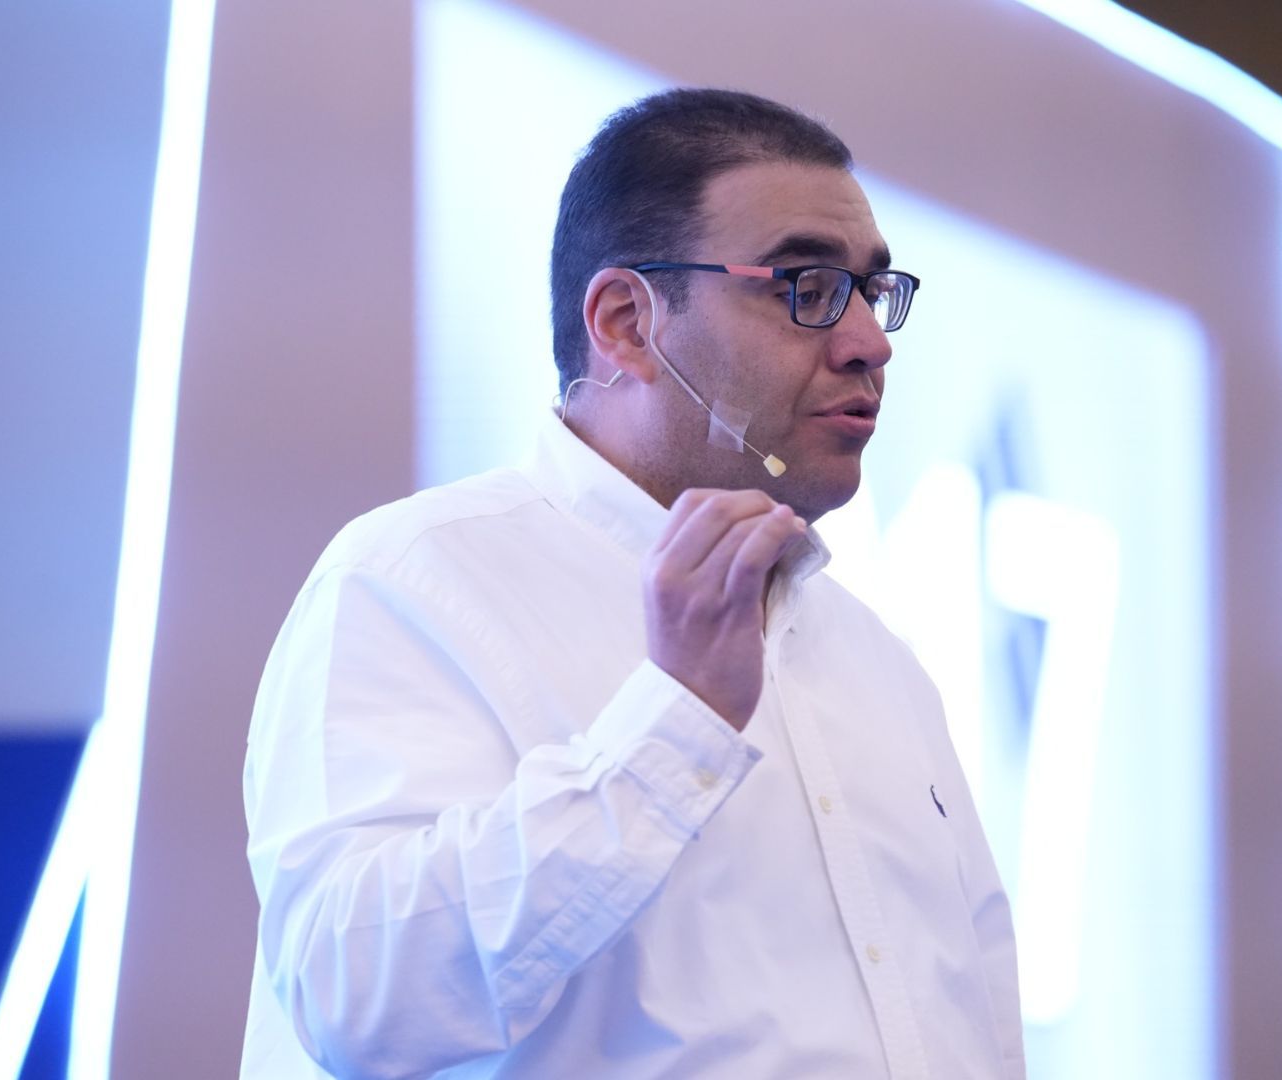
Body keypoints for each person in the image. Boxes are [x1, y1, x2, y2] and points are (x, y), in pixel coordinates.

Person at [242, 87, 1025, 1079]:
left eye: (872, 290)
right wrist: (676, 721)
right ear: (625, 323)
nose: (870, 341)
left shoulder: (879, 660)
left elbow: (976, 1019)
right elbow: (358, 999)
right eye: (805, 286)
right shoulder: (413, 578)